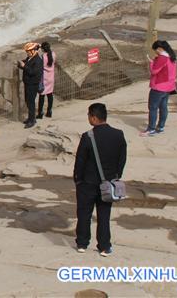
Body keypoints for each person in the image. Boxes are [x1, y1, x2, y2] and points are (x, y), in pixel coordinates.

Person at [73, 103, 127, 256]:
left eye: (89, 116)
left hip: (87, 183)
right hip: (108, 183)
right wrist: (116, 176)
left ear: (94, 118)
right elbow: (122, 159)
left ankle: (82, 243)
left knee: (84, 213)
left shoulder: (87, 136)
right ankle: (104, 246)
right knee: (104, 214)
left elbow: (80, 161)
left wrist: (77, 179)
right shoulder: (118, 134)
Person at [141, 40, 177, 137]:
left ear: (160, 49)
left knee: (153, 108)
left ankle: (151, 129)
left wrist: (151, 62)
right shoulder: (171, 56)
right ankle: (160, 127)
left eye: (155, 50)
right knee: (163, 107)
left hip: (159, 86)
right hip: (168, 86)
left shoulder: (162, 58)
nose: (155, 52)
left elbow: (154, 71)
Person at [18, 42, 44, 128]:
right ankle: (31, 118)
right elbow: (25, 65)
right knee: (28, 101)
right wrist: (21, 65)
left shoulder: (38, 60)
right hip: (28, 83)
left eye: (29, 51)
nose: (27, 53)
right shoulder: (30, 58)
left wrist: (24, 66)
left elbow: (33, 72)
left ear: (34, 51)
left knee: (31, 102)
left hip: (32, 84)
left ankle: (32, 120)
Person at [37, 42, 57, 119]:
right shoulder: (53, 54)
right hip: (51, 78)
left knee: (41, 97)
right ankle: (49, 112)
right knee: (50, 95)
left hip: (44, 79)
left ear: (42, 49)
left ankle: (40, 113)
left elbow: (40, 66)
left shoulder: (43, 56)